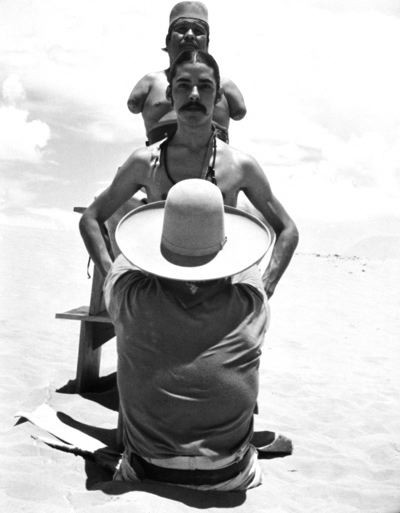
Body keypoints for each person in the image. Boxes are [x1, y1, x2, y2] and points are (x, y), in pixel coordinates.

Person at [80, 50, 298, 299]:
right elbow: (90, 219)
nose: (194, 95)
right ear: (170, 95)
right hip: (159, 297)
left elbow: (288, 229)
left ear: (217, 96)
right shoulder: (145, 163)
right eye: (183, 86)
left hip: (220, 298)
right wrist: (112, 280)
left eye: (204, 87)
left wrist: (265, 285)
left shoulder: (240, 166)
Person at [106, 178, 273, 490]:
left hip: (149, 472)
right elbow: (251, 259)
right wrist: (213, 226)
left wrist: (154, 224)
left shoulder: (128, 297)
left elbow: (123, 252)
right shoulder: (252, 304)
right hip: (229, 476)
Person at [127, 1, 246, 143]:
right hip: (158, 157)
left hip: (215, 157)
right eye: (182, 29)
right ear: (168, 41)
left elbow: (239, 111)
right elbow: (133, 105)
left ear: (207, 43)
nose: (189, 35)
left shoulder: (225, 86)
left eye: (198, 31)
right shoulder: (150, 82)